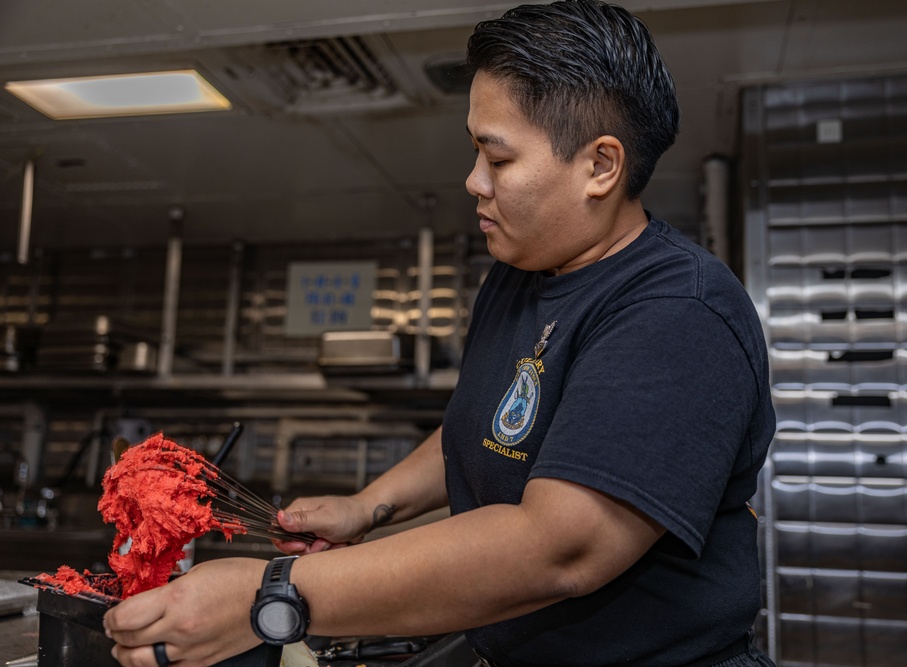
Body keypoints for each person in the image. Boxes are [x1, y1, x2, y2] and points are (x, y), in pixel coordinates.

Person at [103, 1, 776, 665]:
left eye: (499, 158)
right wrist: (369, 507)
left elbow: (560, 547)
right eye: (474, 150)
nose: (473, 181)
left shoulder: (678, 312)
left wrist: (271, 594)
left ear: (600, 166)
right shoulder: (519, 274)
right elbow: (486, 423)